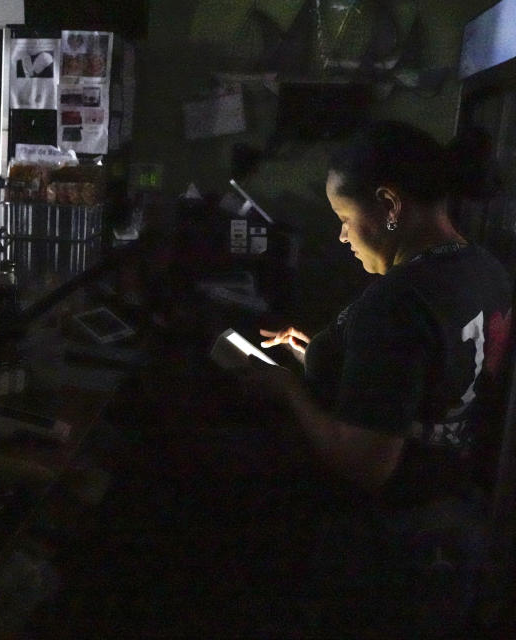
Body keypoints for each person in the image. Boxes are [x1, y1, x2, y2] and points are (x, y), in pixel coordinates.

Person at [220, 121, 513, 636]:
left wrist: (288, 387)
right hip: (456, 521)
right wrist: (323, 354)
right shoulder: (485, 269)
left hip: (390, 543)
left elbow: (365, 463)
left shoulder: (397, 300)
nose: (342, 235)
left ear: (389, 205)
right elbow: (426, 381)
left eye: (344, 217)